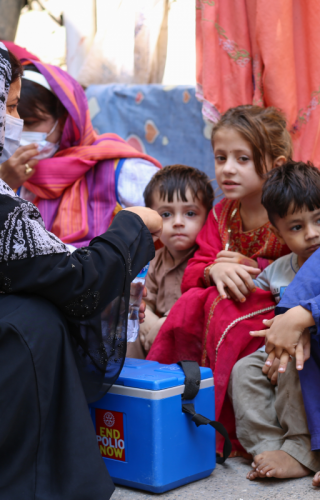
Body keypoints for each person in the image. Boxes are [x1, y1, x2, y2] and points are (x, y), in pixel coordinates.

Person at [0, 41, 163, 499]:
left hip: (130, 284)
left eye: (27, 116)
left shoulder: (117, 169)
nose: (18, 128)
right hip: (90, 280)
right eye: (11, 110)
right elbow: (76, 282)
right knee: (36, 320)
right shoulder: (12, 188)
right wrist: (131, 229)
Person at [147, 105, 293, 455]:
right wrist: (215, 269)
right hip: (226, 307)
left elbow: (303, 264)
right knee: (193, 302)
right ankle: (163, 402)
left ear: (276, 165)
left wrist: (252, 265)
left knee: (219, 306)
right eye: (221, 157)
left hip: (276, 308)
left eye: (242, 159)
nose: (227, 169)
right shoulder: (221, 213)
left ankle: (221, 428)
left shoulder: (291, 213)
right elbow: (194, 271)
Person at [0, 46, 161, 247]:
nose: (20, 131)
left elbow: (175, 226)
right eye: (11, 120)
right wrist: (5, 184)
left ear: (66, 120)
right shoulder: (13, 176)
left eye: (31, 122)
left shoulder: (121, 169)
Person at [229, 161, 320, 481]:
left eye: (318, 220)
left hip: (305, 353)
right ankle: (267, 443)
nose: (312, 234)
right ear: (278, 232)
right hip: (275, 348)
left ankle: (301, 448)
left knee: (295, 362)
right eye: (296, 227)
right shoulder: (277, 270)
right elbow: (249, 298)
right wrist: (220, 268)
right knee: (244, 370)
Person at [127, 164, 214, 359]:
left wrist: (166, 323)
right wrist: (149, 321)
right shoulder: (152, 260)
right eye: (166, 214)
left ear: (208, 216)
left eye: (190, 213)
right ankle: (128, 388)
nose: (178, 222)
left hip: (192, 344)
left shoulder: (208, 260)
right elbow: (142, 300)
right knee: (127, 332)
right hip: (154, 338)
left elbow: (203, 307)